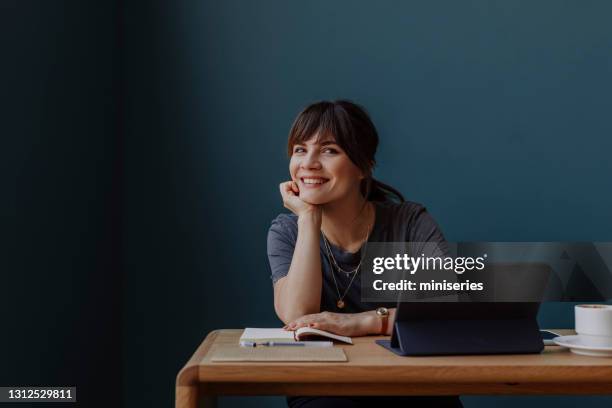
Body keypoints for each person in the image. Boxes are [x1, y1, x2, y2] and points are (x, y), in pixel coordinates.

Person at [267, 100, 462, 408]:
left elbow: (447, 312)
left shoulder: (408, 223)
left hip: (414, 383)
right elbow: (298, 316)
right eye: (300, 149)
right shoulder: (287, 231)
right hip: (325, 388)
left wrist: (362, 322)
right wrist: (308, 219)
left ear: (363, 165)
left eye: (329, 150)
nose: (309, 163)